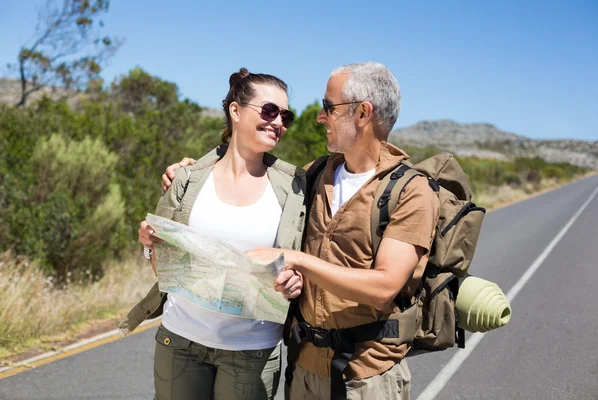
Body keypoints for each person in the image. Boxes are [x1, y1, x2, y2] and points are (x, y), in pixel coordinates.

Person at [163, 62, 440, 400]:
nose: (321, 117)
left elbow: (384, 287)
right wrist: (190, 170)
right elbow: (249, 166)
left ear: (363, 114)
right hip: (305, 368)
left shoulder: (411, 191)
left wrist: (295, 259)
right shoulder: (314, 175)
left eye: (329, 107)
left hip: (365, 375)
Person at [120, 68, 307, 400]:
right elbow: (162, 268)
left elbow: (301, 258)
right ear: (236, 111)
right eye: (269, 111)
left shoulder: (294, 187)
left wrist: (295, 281)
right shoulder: (187, 179)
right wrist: (150, 245)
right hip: (180, 344)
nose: (278, 121)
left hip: (253, 352)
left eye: (285, 115)